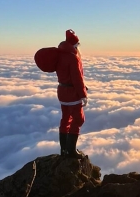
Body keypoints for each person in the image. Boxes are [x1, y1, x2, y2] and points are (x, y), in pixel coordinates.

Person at [56, 29, 87, 159]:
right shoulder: (73, 58)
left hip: (62, 92)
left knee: (65, 119)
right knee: (79, 119)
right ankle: (71, 150)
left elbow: (67, 76)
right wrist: (83, 94)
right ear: (75, 45)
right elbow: (77, 79)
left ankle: (64, 150)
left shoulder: (60, 55)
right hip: (72, 94)